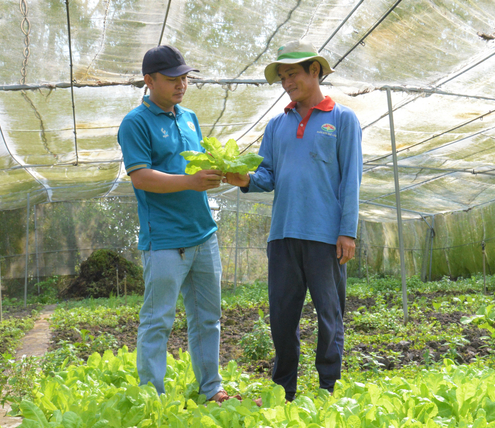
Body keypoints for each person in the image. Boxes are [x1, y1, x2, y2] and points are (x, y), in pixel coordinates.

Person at [224, 40, 363, 403]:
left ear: (315, 71)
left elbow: (351, 179)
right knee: (282, 319)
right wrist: (244, 179)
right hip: (283, 234)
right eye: (282, 76)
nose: (287, 82)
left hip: (324, 237)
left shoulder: (342, 119)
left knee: (329, 317)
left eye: (293, 74)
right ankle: (283, 389)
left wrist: (347, 231)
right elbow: (267, 175)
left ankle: (327, 389)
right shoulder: (277, 125)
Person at [117, 45, 237, 403]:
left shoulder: (189, 118)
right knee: (158, 319)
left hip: (204, 234)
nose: (181, 84)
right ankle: (151, 397)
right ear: (149, 80)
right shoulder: (135, 123)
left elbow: (197, 164)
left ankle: (210, 388)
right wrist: (190, 182)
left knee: (208, 318)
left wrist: (219, 170)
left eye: (184, 78)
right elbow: (140, 177)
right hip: (166, 240)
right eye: (172, 79)